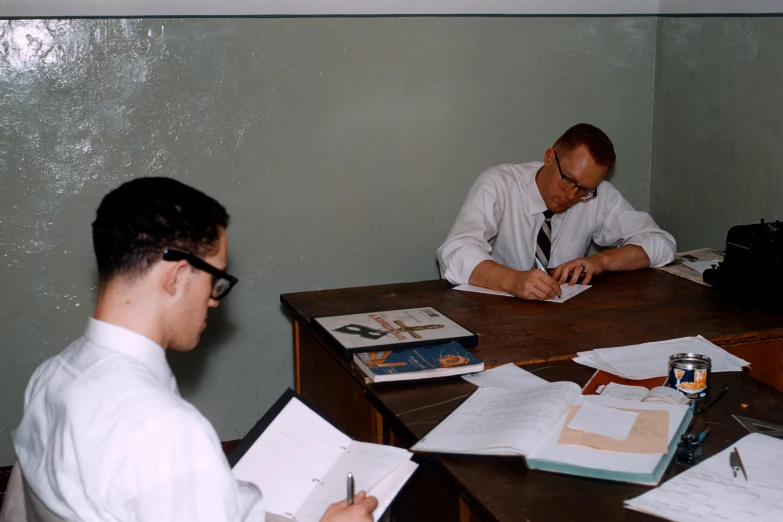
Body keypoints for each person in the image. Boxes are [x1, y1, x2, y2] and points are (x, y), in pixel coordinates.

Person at [11, 177, 378, 522]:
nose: (214, 300)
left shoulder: (50, 376)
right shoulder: (166, 431)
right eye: (214, 279)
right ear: (176, 276)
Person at [437, 123, 676, 300]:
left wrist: (601, 261)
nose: (572, 195)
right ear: (550, 158)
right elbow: (454, 252)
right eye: (569, 181)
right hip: (495, 315)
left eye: (585, 189)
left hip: (564, 321)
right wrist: (512, 280)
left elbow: (661, 244)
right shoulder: (499, 184)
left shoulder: (598, 195)